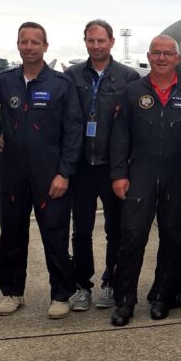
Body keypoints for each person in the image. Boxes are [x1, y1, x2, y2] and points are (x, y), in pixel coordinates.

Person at [0, 22, 83, 319]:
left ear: (45, 46)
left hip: (50, 174)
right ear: (18, 44)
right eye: (24, 41)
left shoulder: (61, 84)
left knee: (55, 235)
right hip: (12, 172)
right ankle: (12, 292)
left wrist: (64, 173)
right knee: (12, 233)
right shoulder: (4, 81)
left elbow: (74, 132)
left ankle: (60, 294)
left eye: (35, 42)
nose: (29, 47)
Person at [109, 35, 181, 326]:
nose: (162, 58)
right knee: (132, 237)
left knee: (172, 239)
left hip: (177, 178)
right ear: (148, 57)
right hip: (141, 175)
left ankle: (162, 295)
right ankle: (124, 300)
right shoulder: (132, 92)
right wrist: (119, 174)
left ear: (177, 59)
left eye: (168, 54)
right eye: (157, 53)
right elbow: (120, 137)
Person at [64, 19, 141, 312]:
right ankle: (82, 285)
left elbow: (133, 124)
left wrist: (127, 166)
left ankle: (111, 282)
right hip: (82, 166)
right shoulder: (72, 76)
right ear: (85, 41)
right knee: (81, 230)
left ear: (111, 42)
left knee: (115, 230)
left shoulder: (128, 77)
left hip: (113, 167)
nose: (96, 46)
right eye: (91, 40)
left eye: (101, 40)